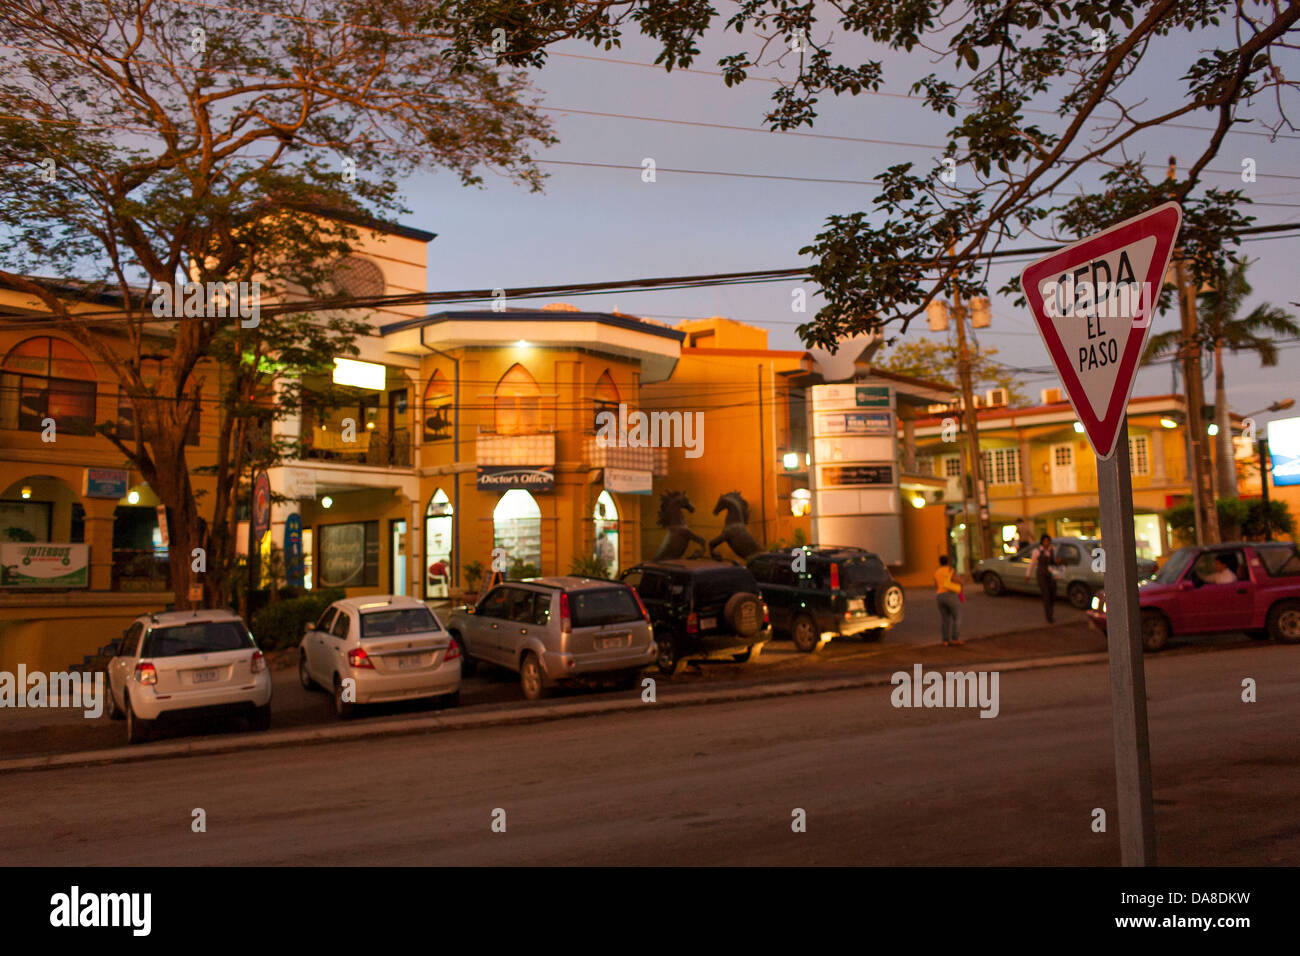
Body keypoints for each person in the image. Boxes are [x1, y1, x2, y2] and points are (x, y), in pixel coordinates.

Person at [1027, 534, 1062, 623]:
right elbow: (1032, 563)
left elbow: (1054, 563)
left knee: (1053, 594)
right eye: (1045, 541)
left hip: (1051, 575)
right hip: (1041, 575)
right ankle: (1049, 616)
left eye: (1048, 541)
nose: (1046, 543)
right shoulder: (1037, 551)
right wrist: (1028, 574)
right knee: (1046, 594)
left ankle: (1051, 611)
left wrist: (1058, 562)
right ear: (1042, 542)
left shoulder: (1052, 550)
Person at [934, 554, 965, 646]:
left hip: (939, 596)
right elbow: (955, 580)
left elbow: (935, 584)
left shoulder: (936, 572)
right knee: (957, 617)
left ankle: (945, 640)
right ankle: (955, 638)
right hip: (949, 594)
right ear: (947, 561)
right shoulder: (950, 570)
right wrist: (961, 582)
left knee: (945, 619)